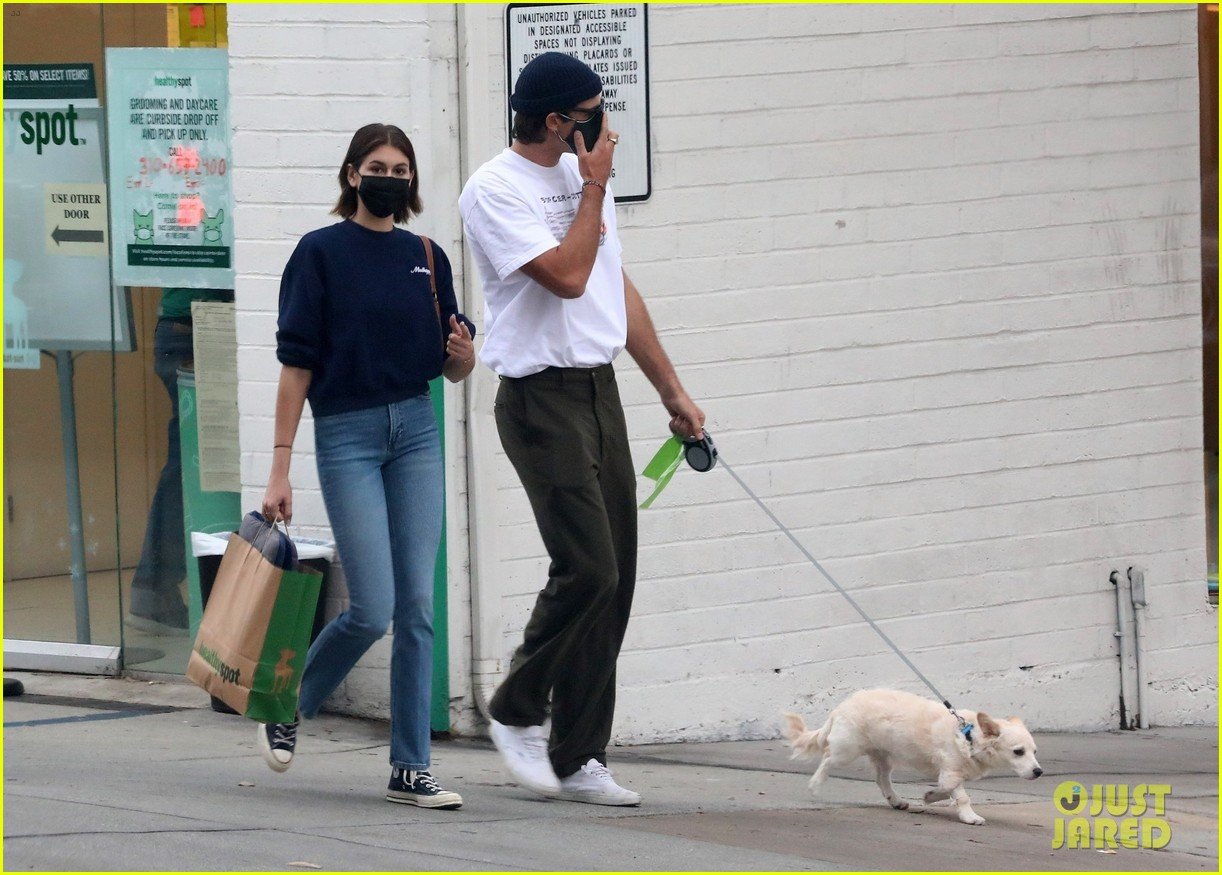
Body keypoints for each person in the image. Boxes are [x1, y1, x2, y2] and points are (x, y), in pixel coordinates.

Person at [459, 52, 705, 806]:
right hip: (540, 396)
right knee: (587, 568)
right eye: (593, 112)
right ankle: (516, 706)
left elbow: (610, 285)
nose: (606, 127)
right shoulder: (495, 189)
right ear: (559, 120)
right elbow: (564, 275)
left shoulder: (579, 181)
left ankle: (579, 754)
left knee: (617, 576)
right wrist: (593, 183)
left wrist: (671, 388)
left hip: (597, 390)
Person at [259, 123, 476, 810]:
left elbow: (451, 363)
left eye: (401, 168)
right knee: (373, 606)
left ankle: (410, 766)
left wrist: (464, 358)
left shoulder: (427, 256)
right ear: (352, 175)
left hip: (415, 426)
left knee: (417, 607)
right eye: (377, 166)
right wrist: (280, 468)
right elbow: (297, 366)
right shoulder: (319, 254)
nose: (390, 177)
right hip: (347, 432)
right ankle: (289, 702)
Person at [126, 286, 232, 635]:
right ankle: (154, 587)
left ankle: (154, 587)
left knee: (187, 461)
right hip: (199, 325)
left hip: (185, 326)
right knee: (192, 463)